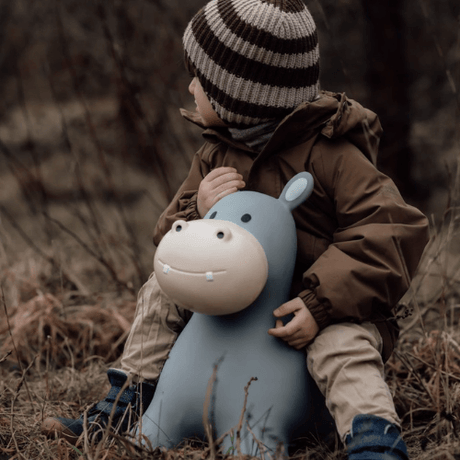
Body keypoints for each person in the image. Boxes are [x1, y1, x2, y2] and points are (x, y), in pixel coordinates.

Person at [42, 1, 429, 458]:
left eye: (200, 80)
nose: (190, 87)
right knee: (161, 292)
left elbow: (393, 229)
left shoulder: (334, 157)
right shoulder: (216, 152)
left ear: (241, 95)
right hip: (232, 301)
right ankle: (128, 399)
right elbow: (169, 237)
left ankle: (372, 436)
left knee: (341, 346)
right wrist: (197, 208)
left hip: (313, 309)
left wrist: (321, 302)